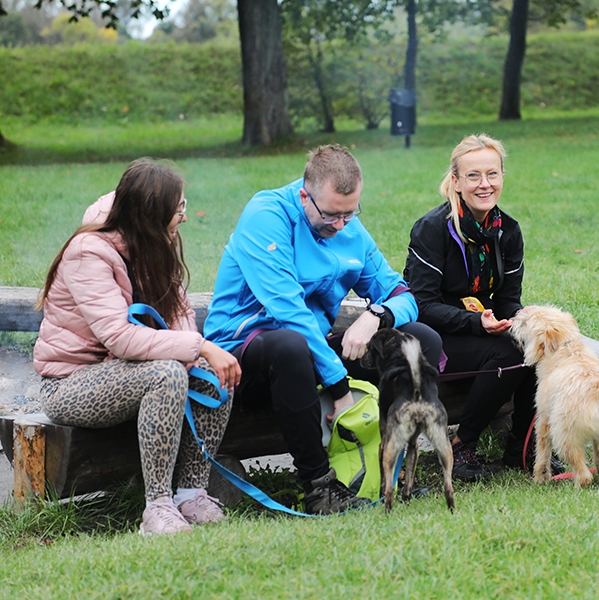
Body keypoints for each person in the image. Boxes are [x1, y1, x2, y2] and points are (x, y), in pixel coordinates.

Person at [203, 144, 440, 515]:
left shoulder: (347, 226)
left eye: (350, 214)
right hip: (243, 356)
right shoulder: (265, 216)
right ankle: (318, 488)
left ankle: (388, 471)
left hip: (311, 351)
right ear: (304, 195)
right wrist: (338, 384)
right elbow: (288, 313)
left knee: (418, 339)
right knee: (290, 345)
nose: (341, 226)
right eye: (331, 215)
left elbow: (402, 294)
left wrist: (375, 314)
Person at [34, 159, 242, 536]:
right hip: (70, 384)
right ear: (151, 214)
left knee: (212, 375)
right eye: (178, 209)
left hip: (130, 370)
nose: (184, 217)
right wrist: (199, 347)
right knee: (166, 373)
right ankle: (157, 507)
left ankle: (191, 493)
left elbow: (178, 309)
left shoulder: (157, 238)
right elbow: (120, 338)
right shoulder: (88, 251)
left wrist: (199, 355)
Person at [404, 133, 564, 481]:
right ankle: (461, 444)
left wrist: (517, 320)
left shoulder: (508, 230)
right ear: (456, 181)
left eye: (492, 174)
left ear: (502, 177)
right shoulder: (432, 229)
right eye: (473, 176)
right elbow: (419, 304)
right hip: (434, 335)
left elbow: (508, 299)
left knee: (537, 345)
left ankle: (523, 445)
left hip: (483, 330)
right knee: (509, 354)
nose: (484, 184)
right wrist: (478, 324)